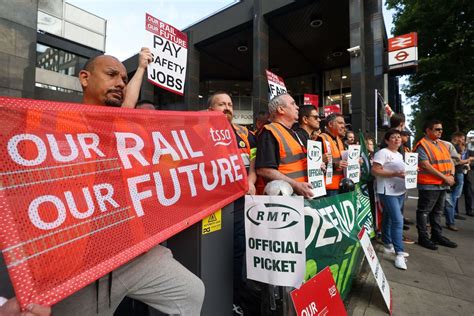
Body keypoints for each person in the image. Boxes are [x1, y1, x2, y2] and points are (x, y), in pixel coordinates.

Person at [50, 53, 206, 315]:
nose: (121, 83)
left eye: (123, 78)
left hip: (130, 252)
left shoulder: (120, 125)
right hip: (76, 269)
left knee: (191, 292)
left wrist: (142, 67)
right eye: (111, 75)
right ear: (85, 79)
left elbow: (129, 100)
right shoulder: (53, 126)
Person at [207, 91, 257, 314]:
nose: (227, 107)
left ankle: (235, 298)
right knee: (212, 254)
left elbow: (253, 167)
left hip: (239, 204)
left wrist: (250, 182)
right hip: (212, 205)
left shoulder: (246, 134)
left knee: (238, 252)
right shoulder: (198, 132)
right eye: (221, 104)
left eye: (229, 103)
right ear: (210, 109)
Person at [255, 93, 313, 198]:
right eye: (293, 103)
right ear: (281, 110)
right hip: (287, 199)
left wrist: (316, 166)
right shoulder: (270, 132)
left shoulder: (294, 133)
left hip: (301, 195)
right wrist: (296, 185)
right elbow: (264, 170)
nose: (297, 107)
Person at [413, 119, 457, 250]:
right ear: (428, 130)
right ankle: (423, 238)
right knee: (424, 212)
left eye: (441, 129)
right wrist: (446, 178)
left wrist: (452, 176)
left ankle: (436, 235)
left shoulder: (442, 144)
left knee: (437, 211)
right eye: (437, 129)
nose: (440, 132)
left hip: (442, 183)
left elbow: (450, 160)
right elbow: (425, 166)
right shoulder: (422, 145)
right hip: (429, 185)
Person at [371, 129, 409, 270]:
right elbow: (375, 170)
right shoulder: (382, 153)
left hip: (399, 190)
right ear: (387, 140)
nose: (397, 139)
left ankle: (387, 243)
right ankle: (399, 254)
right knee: (398, 220)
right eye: (393, 137)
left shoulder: (399, 154)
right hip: (387, 190)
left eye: (398, 137)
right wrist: (395, 173)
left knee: (388, 216)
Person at [317, 113, 347, 196]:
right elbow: (316, 164)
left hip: (340, 185)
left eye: (343, 123)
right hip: (328, 188)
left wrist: (354, 161)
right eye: (340, 123)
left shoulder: (339, 140)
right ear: (330, 124)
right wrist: (335, 165)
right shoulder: (321, 138)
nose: (343, 126)